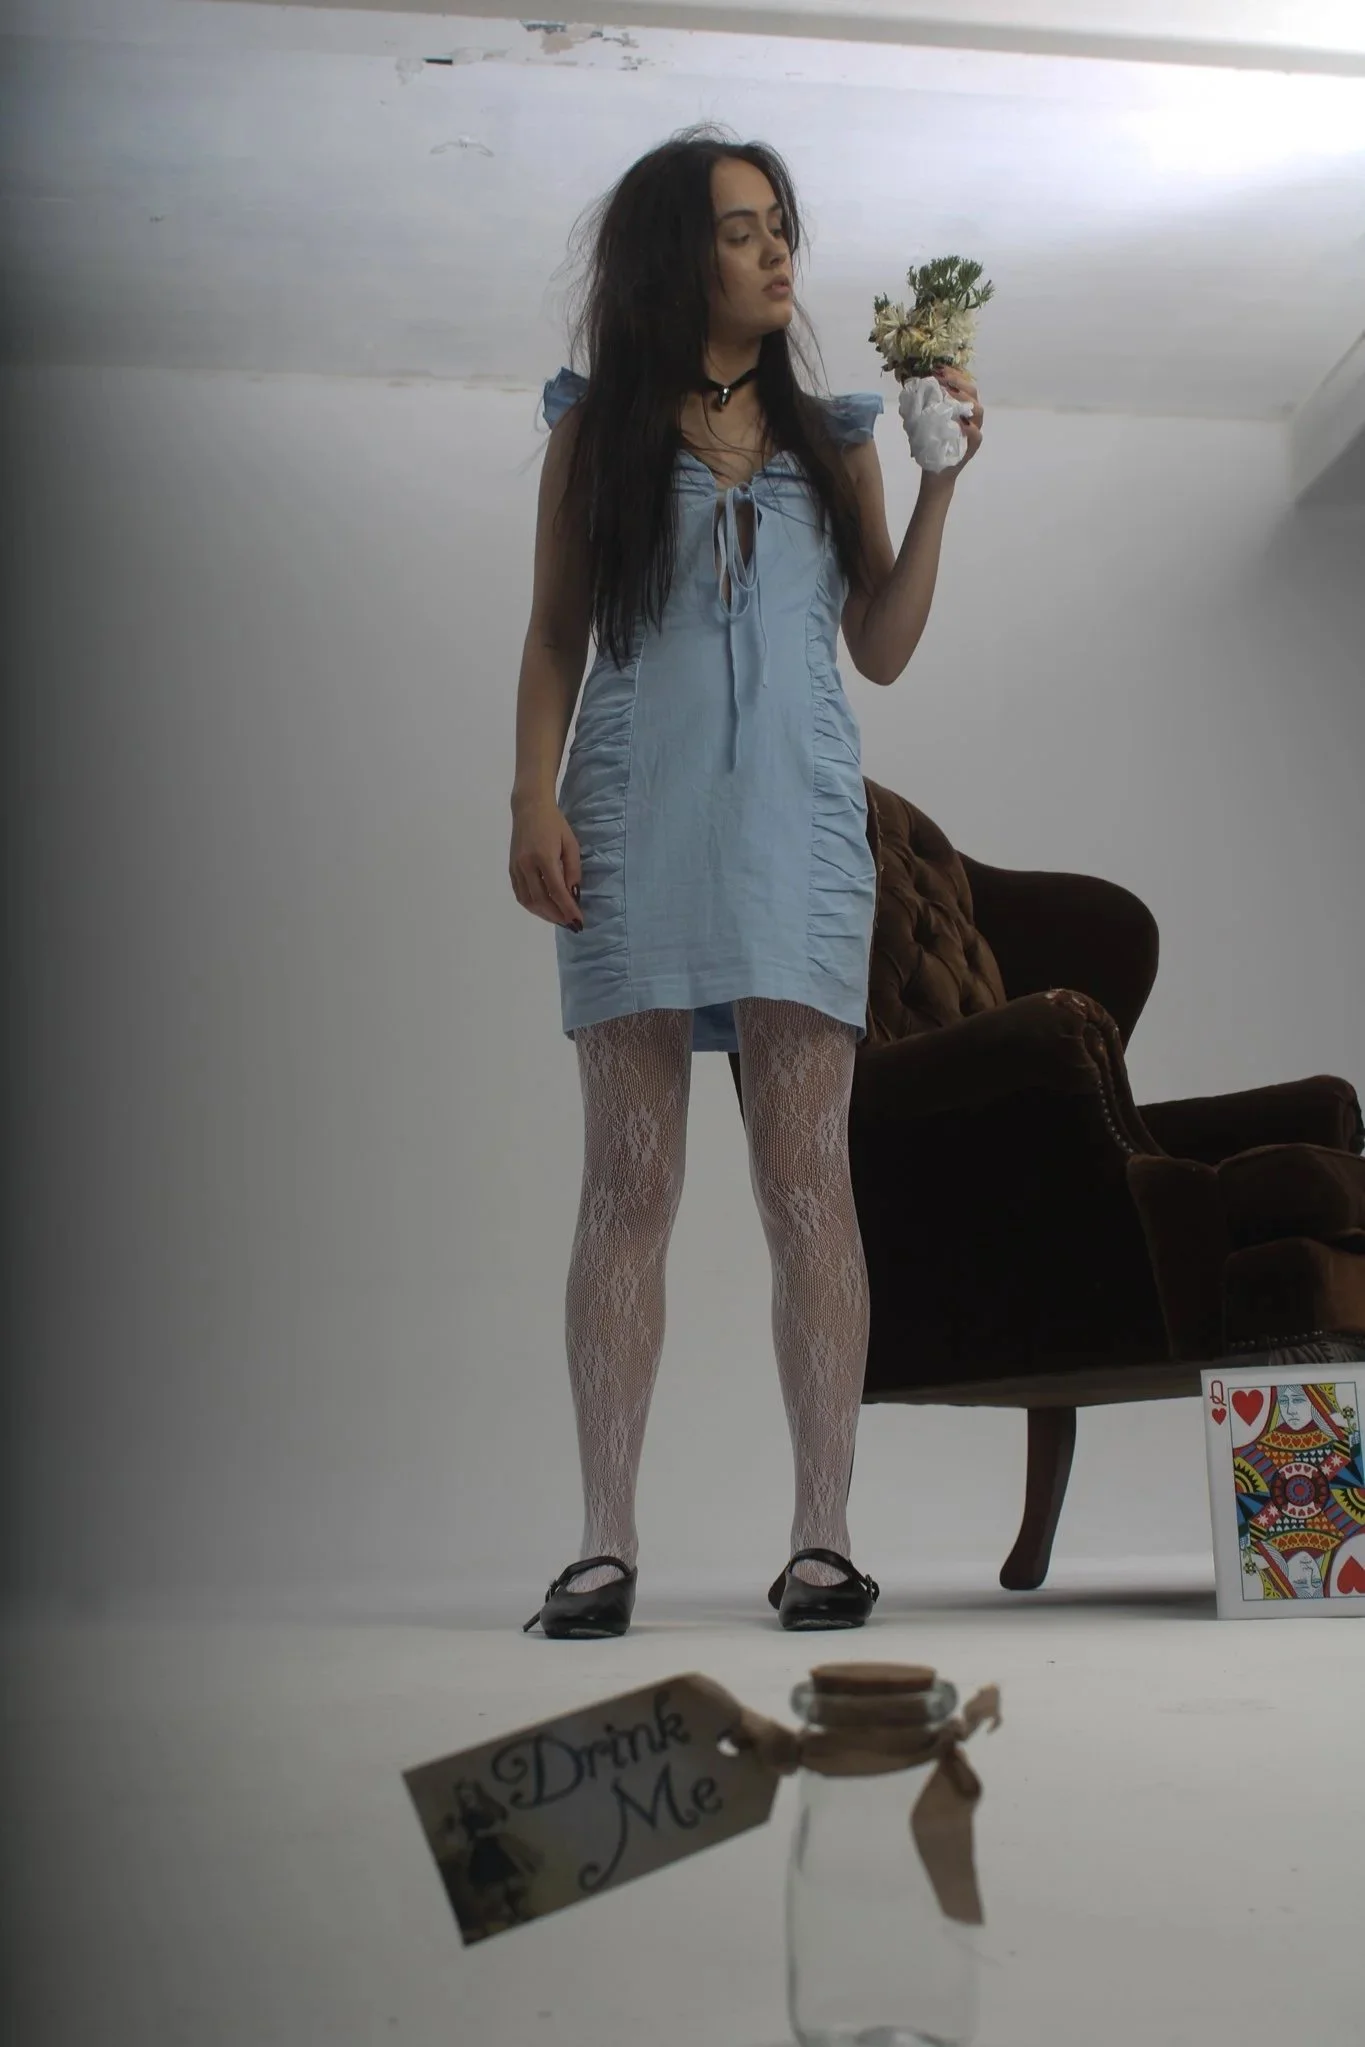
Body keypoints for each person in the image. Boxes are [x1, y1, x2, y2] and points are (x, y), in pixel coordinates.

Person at [511, 126, 983, 1638]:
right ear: (677, 256)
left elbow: (882, 648)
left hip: (798, 838)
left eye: (781, 223)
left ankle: (823, 1540)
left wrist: (940, 487)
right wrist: (530, 796)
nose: (779, 250)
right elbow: (555, 635)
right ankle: (602, 1543)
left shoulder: (834, 438)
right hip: (630, 821)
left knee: (807, 1184)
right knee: (628, 1181)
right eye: (741, 228)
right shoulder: (597, 434)